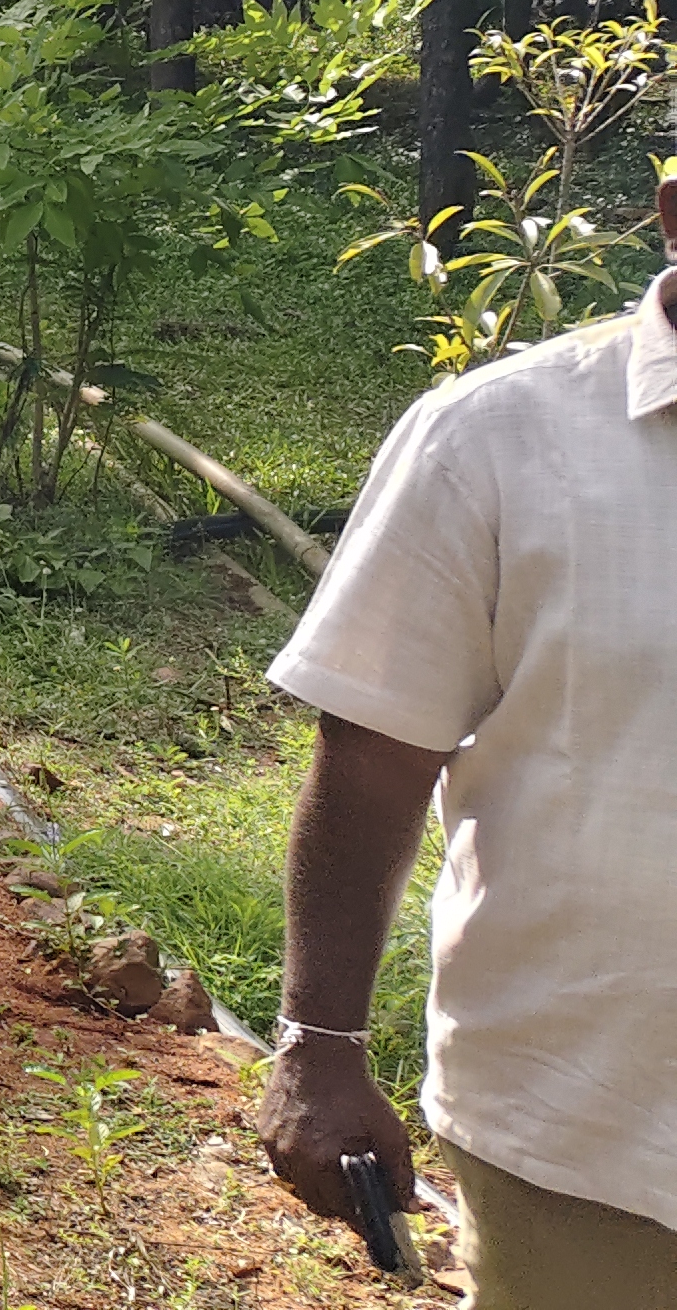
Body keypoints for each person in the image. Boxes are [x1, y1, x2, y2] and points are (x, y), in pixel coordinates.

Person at [252, 171, 677, 1304]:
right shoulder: (500, 439)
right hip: (595, 1146)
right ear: (676, 212)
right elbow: (372, 768)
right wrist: (318, 1045)